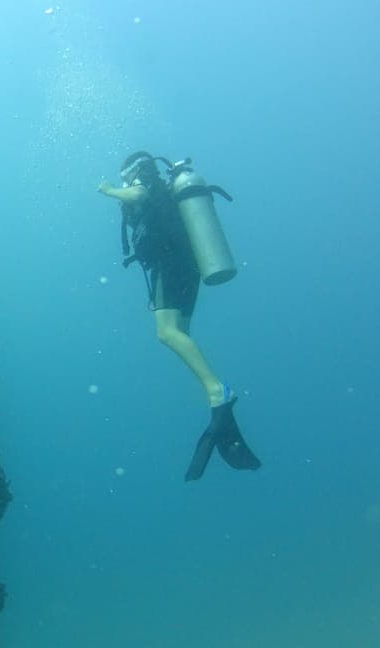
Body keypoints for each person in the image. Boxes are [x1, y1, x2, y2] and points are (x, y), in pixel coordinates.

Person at [97, 151, 261, 481]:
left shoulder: (143, 181)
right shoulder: (162, 190)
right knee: (180, 331)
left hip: (170, 264)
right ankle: (215, 392)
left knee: (166, 333)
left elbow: (138, 193)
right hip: (188, 266)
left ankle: (217, 390)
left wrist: (110, 190)